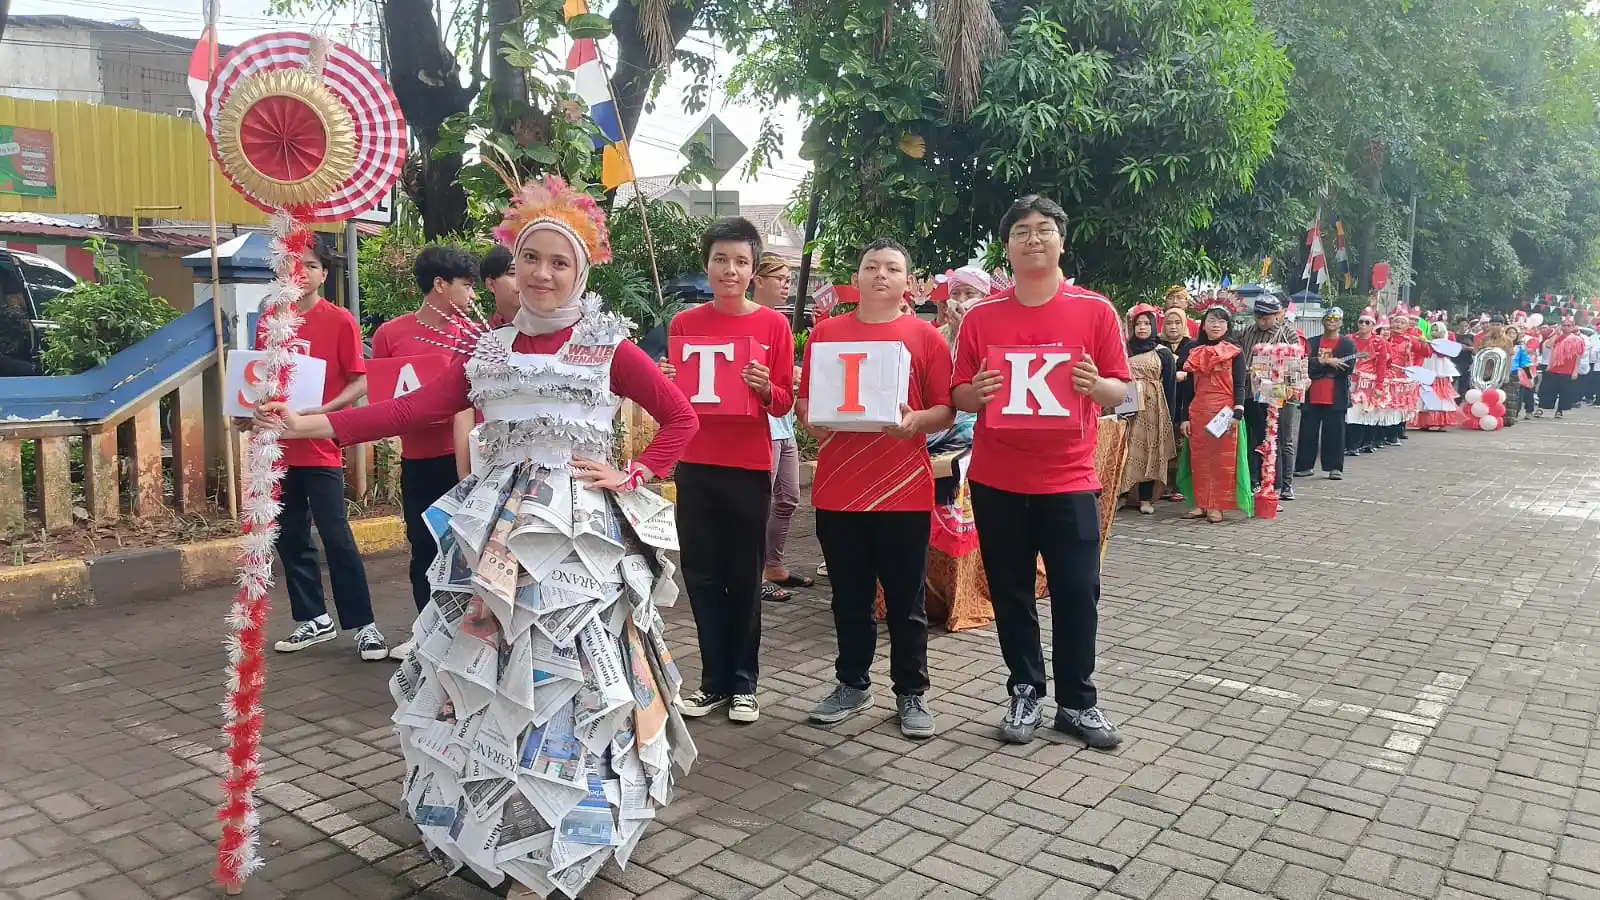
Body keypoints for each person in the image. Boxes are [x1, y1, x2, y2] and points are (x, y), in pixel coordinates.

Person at [261, 174, 698, 896]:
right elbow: (411, 412)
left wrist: (637, 474)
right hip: (491, 529)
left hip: (575, 538)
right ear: (512, 268)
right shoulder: (486, 352)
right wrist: (308, 425)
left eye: (561, 263)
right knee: (485, 671)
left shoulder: (607, 346)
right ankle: (488, 819)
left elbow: (682, 417)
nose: (545, 274)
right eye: (533, 260)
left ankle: (565, 836)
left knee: (572, 681)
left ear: (580, 271)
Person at [951, 195, 1131, 748]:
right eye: (1022, 232)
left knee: (1078, 590)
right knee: (1010, 590)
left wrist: (1094, 387)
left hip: (1070, 479)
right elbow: (957, 392)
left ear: (1061, 240)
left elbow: (1122, 390)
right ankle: (1025, 689)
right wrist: (974, 394)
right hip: (998, 479)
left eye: (1044, 230)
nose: (1034, 239)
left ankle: (1078, 702)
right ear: (1006, 248)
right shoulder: (981, 317)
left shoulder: (1095, 310)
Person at [798, 239, 954, 738]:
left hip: (903, 489)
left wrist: (915, 423)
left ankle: (911, 692)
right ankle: (852, 683)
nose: (880, 275)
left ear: (908, 282)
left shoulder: (926, 337)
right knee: (849, 598)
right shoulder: (825, 333)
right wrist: (813, 422)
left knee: (906, 602)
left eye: (892, 268)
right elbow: (806, 404)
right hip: (839, 488)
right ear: (857, 277)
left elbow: (946, 409)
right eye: (871, 266)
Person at [664, 217, 795, 724]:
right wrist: (667, 380)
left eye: (741, 261)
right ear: (707, 265)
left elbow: (784, 402)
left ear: (753, 268)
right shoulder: (684, 324)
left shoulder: (773, 325)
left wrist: (765, 388)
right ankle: (712, 682)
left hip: (748, 466)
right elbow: (673, 405)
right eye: (721, 259)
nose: (730, 269)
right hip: (694, 463)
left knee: (743, 575)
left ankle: (744, 682)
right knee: (700, 574)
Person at [248, 240, 385, 660]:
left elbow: (359, 381)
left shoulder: (340, 320)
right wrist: (250, 407)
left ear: (325, 273)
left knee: (336, 536)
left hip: (321, 445)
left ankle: (364, 625)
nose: (301, 272)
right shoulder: (270, 321)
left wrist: (321, 413)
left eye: (310, 265)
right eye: (293, 265)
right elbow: (256, 378)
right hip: (276, 449)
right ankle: (313, 618)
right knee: (288, 537)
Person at [369, 246, 480, 658]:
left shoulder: (474, 335)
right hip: (417, 457)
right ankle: (426, 631)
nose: (472, 295)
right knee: (423, 545)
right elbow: (384, 399)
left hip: (465, 458)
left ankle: (469, 634)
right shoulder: (390, 335)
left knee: (468, 547)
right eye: (466, 285)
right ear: (439, 284)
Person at [748, 253, 809, 601]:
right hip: (762, 425)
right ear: (758, 280)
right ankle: (754, 574)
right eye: (781, 278)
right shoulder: (752, 321)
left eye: (789, 278)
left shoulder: (779, 323)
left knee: (788, 496)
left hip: (783, 423)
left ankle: (774, 564)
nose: (787, 284)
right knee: (761, 501)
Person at [1177, 306, 1247, 523]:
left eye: (1221, 321)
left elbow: (1240, 384)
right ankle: (1200, 503)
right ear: (1203, 324)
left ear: (1227, 326)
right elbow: (1187, 388)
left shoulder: (1235, 351)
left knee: (1221, 460)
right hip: (1198, 411)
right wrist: (1185, 417)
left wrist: (1238, 411)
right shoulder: (1193, 350)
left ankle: (1217, 505)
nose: (1216, 325)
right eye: (1211, 320)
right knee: (1198, 459)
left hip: (1224, 413)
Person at [1237, 296, 1302, 497]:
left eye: (1266, 317)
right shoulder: (1248, 331)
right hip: (1251, 393)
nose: (1262, 321)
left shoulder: (1288, 334)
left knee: (1282, 439)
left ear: (1277, 314)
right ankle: (1256, 481)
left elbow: (1296, 368)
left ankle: (1284, 484)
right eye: (1258, 316)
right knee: (1255, 439)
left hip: (1279, 395)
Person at [1118, 304, 1178, 514]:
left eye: (1146, 323)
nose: (1142, 328)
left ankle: (1145, 498)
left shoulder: (1163, 353)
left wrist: (1170, 416)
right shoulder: (1124, 349)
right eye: (1138, 324)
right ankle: (1122, 495)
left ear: (1153, 326)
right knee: (1124, 449)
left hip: (1154, 409)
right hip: (1127, 403)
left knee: (1149, 452)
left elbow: (1170, 386)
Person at [1295, 308, 1356, 479]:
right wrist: (1328, 362)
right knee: (1308, 433)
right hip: (1312, 394)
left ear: (1341, 323)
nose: (1332, 321)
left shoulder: (1347, 344)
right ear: (1323, 321)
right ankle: (1304, 466)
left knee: (1335, 434)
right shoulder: (1312, 343)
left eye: (1336, 318)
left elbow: (1347, 369)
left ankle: (1334, 467)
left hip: (1336, 396)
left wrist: (1319, 368)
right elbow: (1304, 365)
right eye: (1329, 318)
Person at [1345, 311, 1388, 454]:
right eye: (1361, 322)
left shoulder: (1379, 342)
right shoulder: (1349, 339)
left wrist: (1380, 386)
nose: (1363, 325)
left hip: (1368, 383)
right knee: (1349, 413)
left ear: (1373, 326)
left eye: (1367, 322)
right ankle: (1349, 443)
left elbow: (1381, 365)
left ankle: (1359, 443)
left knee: (1363, 413)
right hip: (1351, 380)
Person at [1543, 321, 1586, 417]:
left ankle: (1560, 410)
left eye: (1569, 325)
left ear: (1573, 327)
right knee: (1549, 390)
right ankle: (1544, 408)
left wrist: (1575, 370)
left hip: (1568, 370)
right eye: (1564, 325)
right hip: (1554, 368)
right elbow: (1548, 345)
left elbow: (1579, 355)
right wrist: (1556, 334)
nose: (1566, 327)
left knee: (1565, 392)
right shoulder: (1557, 337)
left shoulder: (1578, 340)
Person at [480, 244, 519, 325]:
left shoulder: (549, 330)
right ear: (491, 285)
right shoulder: (482, 335)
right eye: (513, 273)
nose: (523, 280)